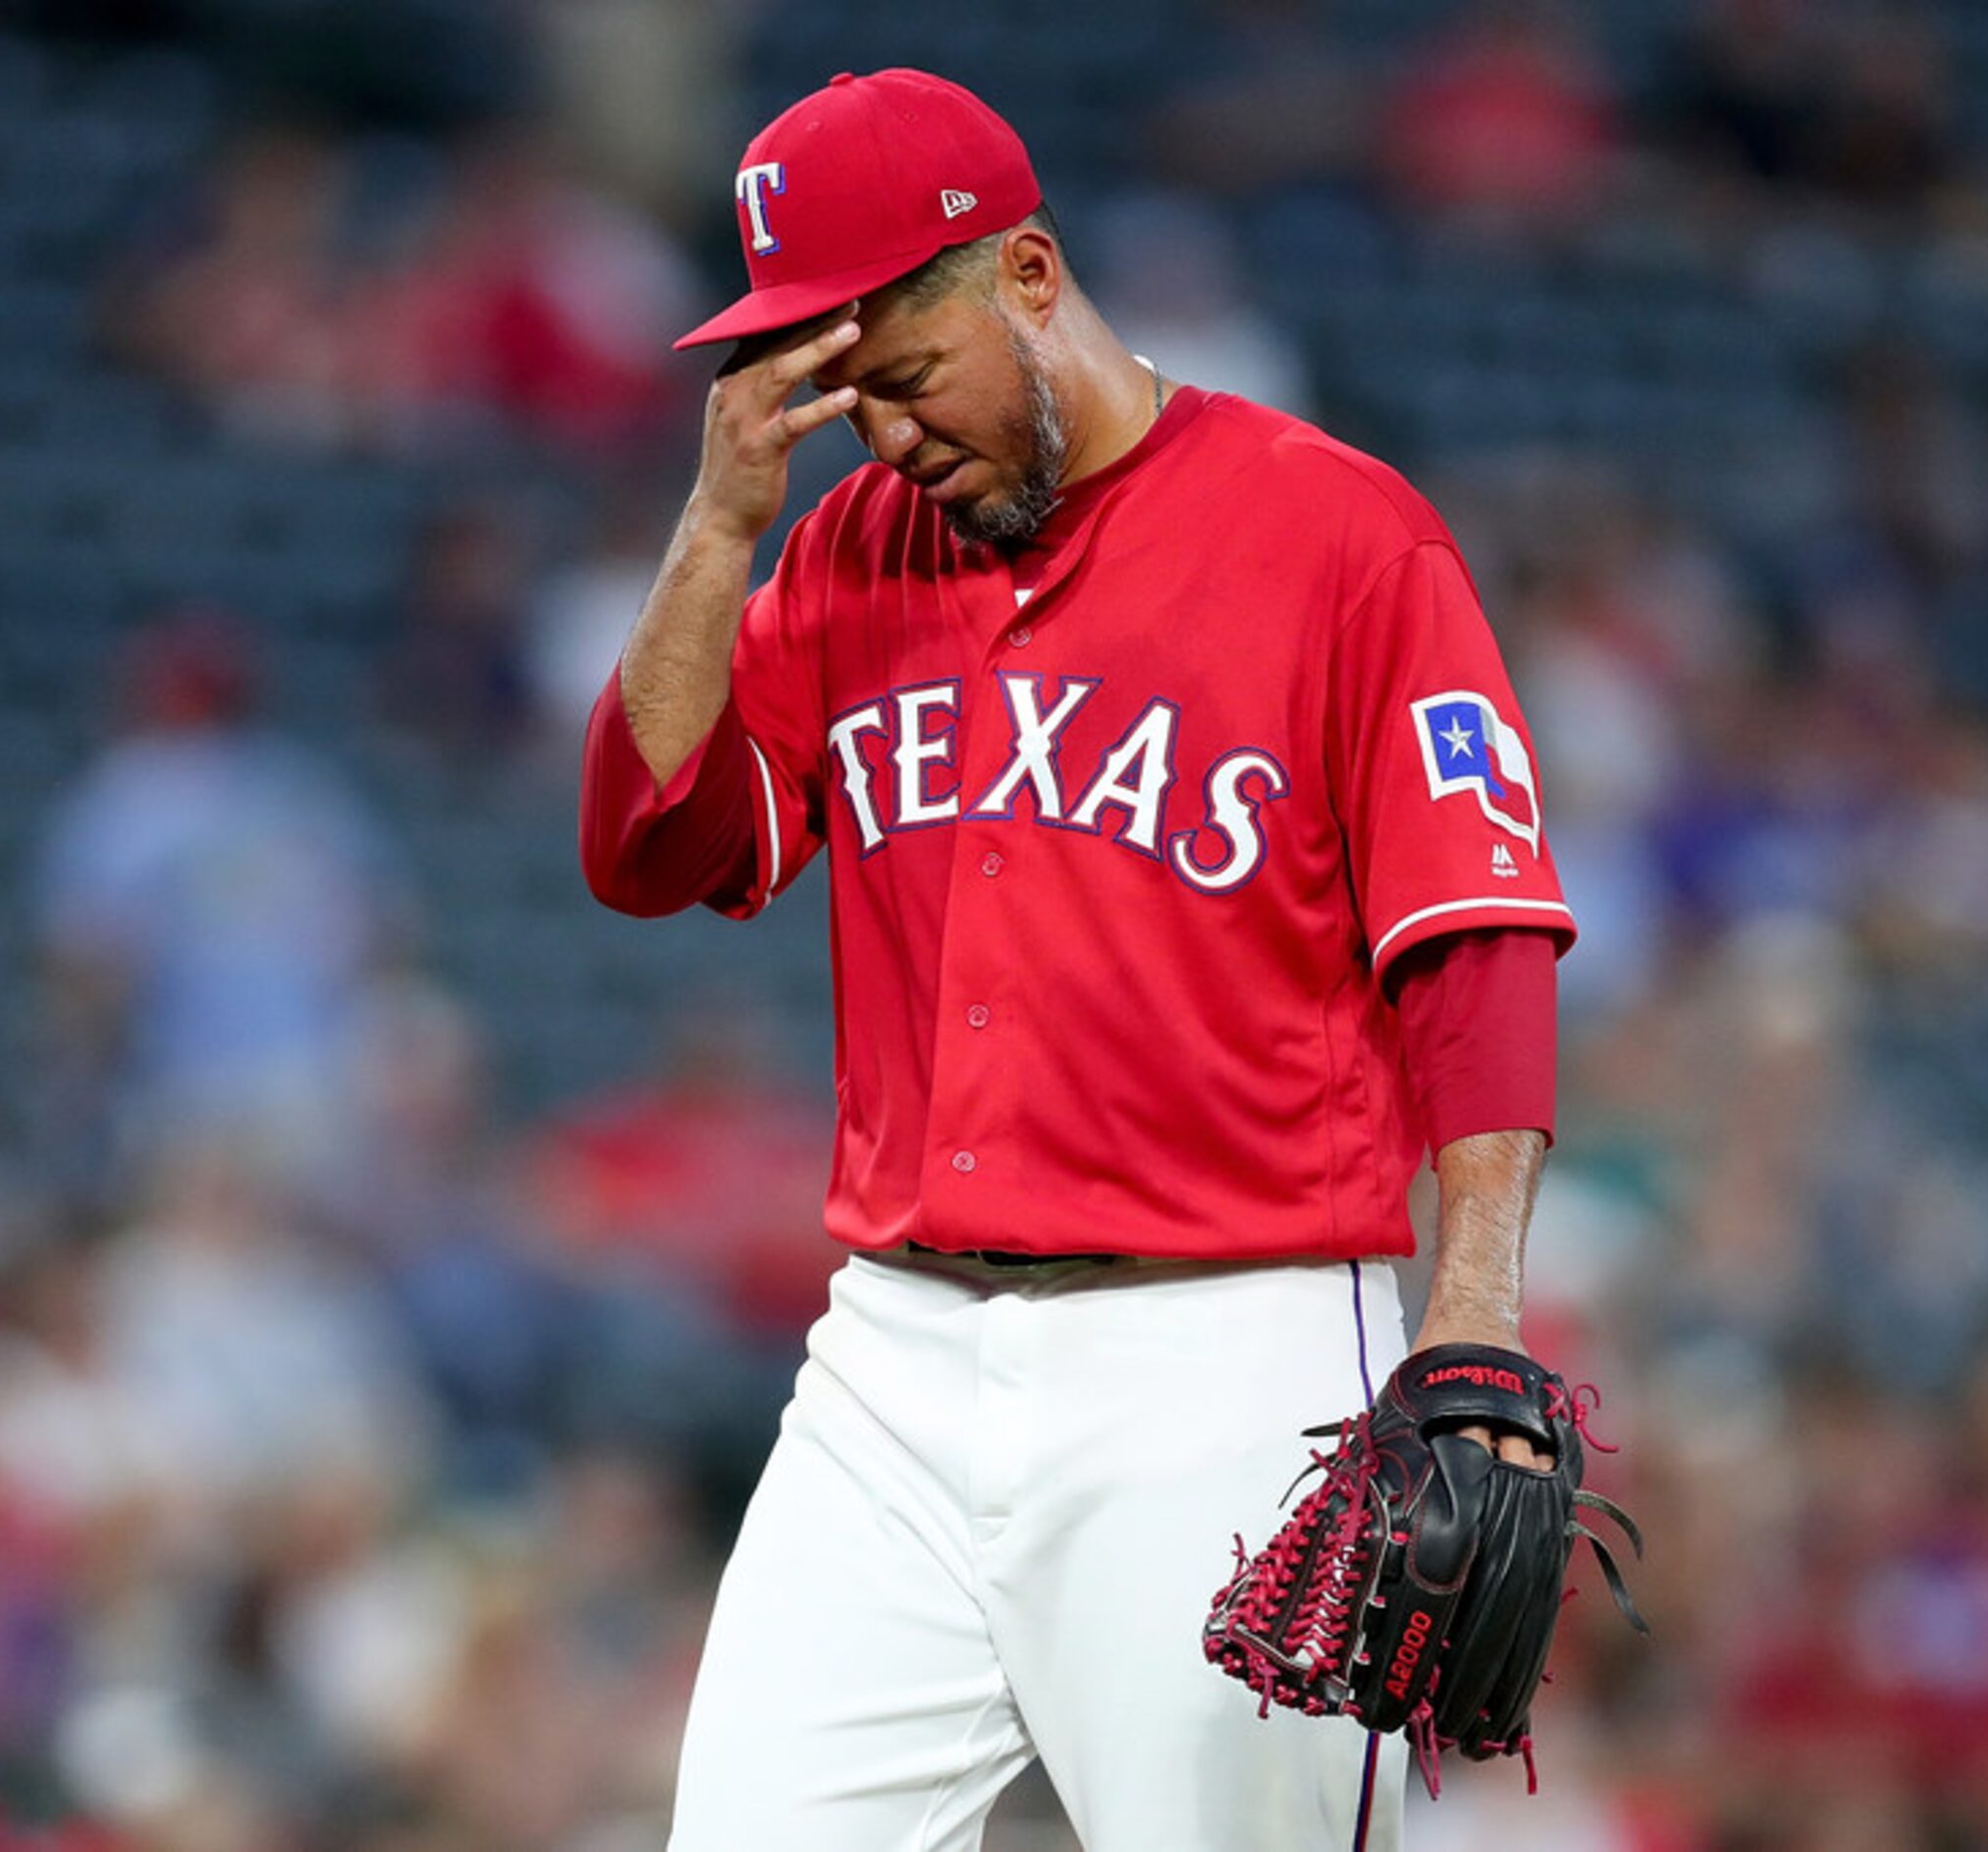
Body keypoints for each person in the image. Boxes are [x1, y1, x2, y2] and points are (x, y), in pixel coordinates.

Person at [580, 69, 1577, 1851]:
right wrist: (722, 527)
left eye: (903, 373)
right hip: (893, 1357)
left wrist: (1475, 1307)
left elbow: (1475, 940)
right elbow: (656, 849)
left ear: (1029, 276)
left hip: (1231, 1356)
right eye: (839, 394)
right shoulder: (843, 551)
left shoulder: (1340, 536)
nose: (879, 436)